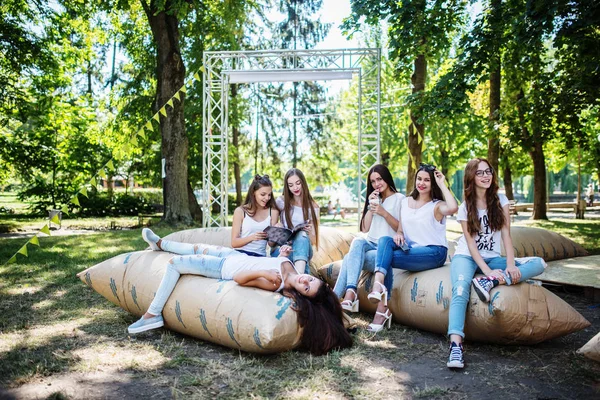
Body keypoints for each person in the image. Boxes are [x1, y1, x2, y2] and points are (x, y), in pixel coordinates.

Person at [129, 228, 352, 356]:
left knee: (175, 264)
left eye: (306, 287)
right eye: (311, 280)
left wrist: (263, 271)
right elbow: (276, 263)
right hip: (234, 256)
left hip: (224, 269)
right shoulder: (291, 268)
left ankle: (153, 313)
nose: (306, 279)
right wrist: (282, 255)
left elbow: (239, 279)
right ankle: (160, 243)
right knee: (195, 246)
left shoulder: (276, 284)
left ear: (302, 295)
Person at [446, 158, 546, 369]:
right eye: (480, 173)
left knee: (539, 263)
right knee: (460, 290)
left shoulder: (501, 200)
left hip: (494, 256)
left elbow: (507, 235)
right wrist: (487, 270)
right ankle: (456, 346)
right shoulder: (465, 207)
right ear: (471, 177)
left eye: (488, 171)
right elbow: (471, 245)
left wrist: (509, 265)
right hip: (466, 256)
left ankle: (488, 283)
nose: (486, 176)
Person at [333, 164, 404, 332]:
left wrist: (383, 212)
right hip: (370, 243)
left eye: (379, 179)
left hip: (385, 250)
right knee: (358, 241)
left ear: (387, 178)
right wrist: (371, 207)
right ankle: (350, 291)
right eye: (373, 181)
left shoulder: (400, 199)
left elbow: (402, 229)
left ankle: (334, 299)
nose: (377, 183)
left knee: (348, 259)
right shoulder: (374, 199)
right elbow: (364, 229)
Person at [374, 163, 458, 304]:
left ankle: (382, 308)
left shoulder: (436, 205)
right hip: (412, 250)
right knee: (384, 240)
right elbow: (401, 229)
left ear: (433, 183)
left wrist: (442, 183)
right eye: (419, 179)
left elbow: (453, 208)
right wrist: (399, 234)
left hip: (435, 252)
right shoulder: (405, 202)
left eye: (427, 180)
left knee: (385, 257)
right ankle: (378, 284)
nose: (421, 183)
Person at [274, 168, 320, 275]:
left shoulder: (313, 207)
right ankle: (302, 276)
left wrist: (309, 232)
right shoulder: (281, 201)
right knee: (298, 257)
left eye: (298, 183)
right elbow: (272, 237)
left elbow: (313, 241)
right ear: (287, 187)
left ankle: (297, 277)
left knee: (302, 235)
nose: (295, 188)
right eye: (290, 185)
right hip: (284, 248)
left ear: (303, 182)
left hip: (303, 245)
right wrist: (278, 227)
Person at [231, 175, 279, 257]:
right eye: (263, 194)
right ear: (253, 193)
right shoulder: (240, 211)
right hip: (240, 254)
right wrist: (252, 238)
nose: (267, 198)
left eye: (269, 195)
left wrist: (276, 232)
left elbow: (271, 244)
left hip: (259, 256)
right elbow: (234, 243)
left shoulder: (273, 212)